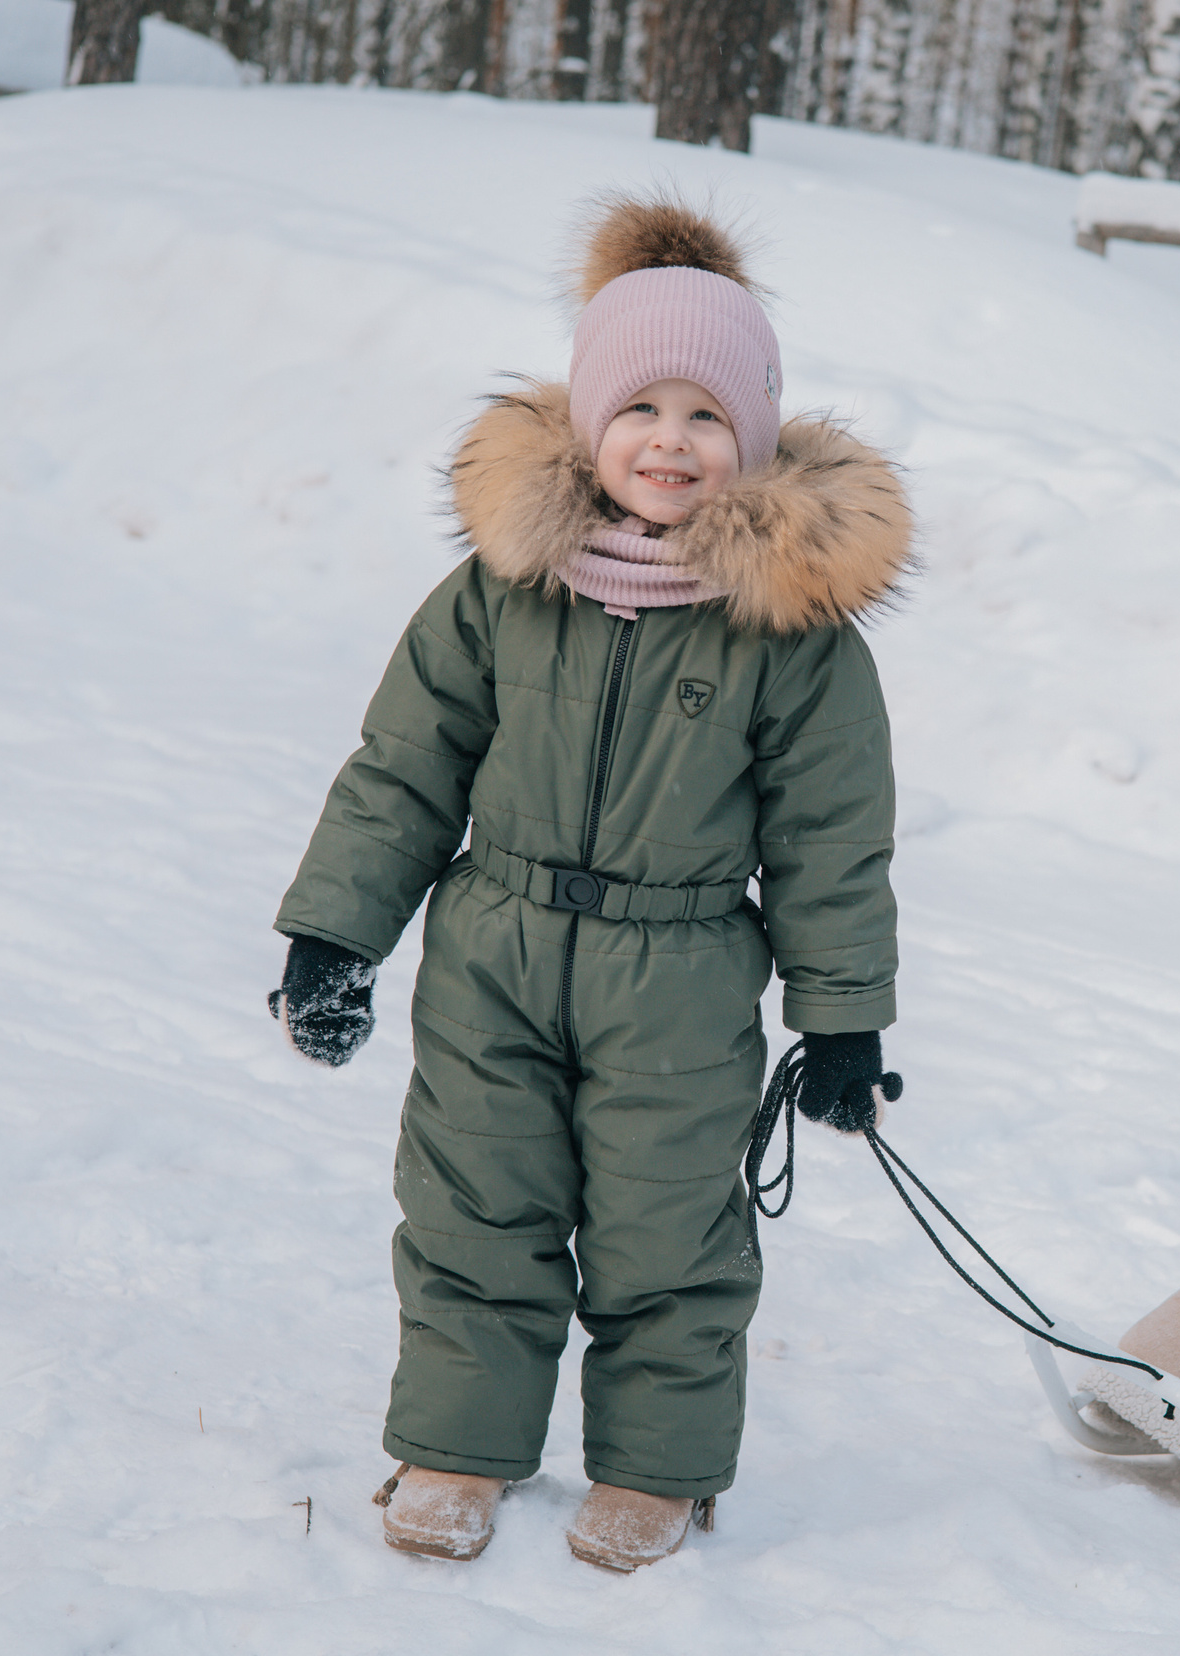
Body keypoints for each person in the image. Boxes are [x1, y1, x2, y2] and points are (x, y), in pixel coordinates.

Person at [267, 196, 912, 1572]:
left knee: (667, 1232)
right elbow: (403, 769)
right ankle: (452, 1446)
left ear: (748, 438)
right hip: (492, 946)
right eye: (641, 409)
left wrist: (843, 1017)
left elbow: (831, 838)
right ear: (586, 424)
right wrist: (337, 933)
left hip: (679, 977)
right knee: (470, 1206)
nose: (668, 442)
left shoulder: (792, 637)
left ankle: (657, 1470)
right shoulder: (502, 592)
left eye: (703, 416)